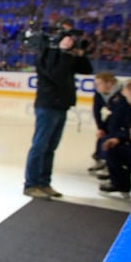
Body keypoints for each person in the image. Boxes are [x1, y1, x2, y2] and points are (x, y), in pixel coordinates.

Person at [23, 19, 93, 199]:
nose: (70, 39)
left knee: (50, 147)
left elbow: (86, 70)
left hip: (61, 105)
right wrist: (63, 53)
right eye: (67, 35)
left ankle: (44, 183)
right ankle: (31, 184)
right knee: (40, 146)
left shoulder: (67, 56)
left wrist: (80, 53)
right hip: (47, 105)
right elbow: (57, 75)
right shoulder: (46, 55)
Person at [89, 72, 125, 173]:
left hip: (124, 120)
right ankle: (100, 157)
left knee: (112, 134)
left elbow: (121, 114)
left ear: (109, 83)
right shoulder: (99, 94)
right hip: (113, 117)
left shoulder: (122, 93)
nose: (96, 86)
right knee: (103, 134)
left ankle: (109, 161)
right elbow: (96, 110)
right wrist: (100, 127)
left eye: (99, 84)